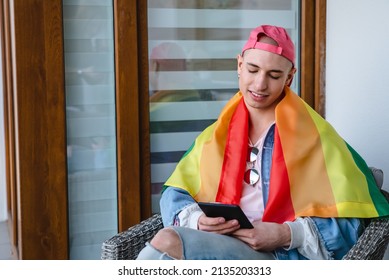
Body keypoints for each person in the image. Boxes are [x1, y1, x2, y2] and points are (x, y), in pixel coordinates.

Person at [137, 25, 389, 260]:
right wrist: (197, 221)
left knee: (168, 240)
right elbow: (174, 192)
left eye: (274, 75)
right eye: (253, 70)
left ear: (289, 78)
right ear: (239, 65)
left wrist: (284, 234)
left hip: (279, 256)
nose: (259, 84)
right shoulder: (216, 134)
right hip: (218, 241)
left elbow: (351, 225)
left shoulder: (317, 137)